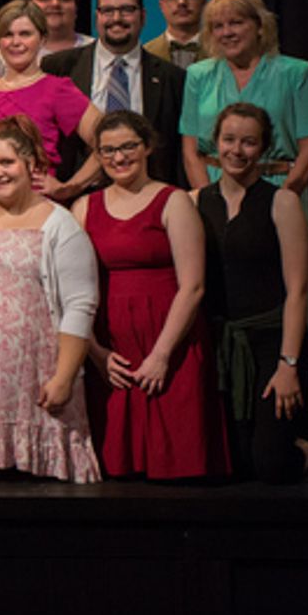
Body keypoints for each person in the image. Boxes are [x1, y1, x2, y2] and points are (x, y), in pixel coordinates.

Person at [0, 116, 100, 483]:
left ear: (31, 165)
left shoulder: (60, 223)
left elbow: (80, 304)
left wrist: (65, 377)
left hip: (33, 382)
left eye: (7, 162)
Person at [71, 111, 230, 480]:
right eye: (107, 150)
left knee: (177, 464)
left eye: (128, 146)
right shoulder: (84, 207)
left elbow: (193, 286)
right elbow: (74, 289)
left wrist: (161, 355)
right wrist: (94, 352)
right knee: (116, 469)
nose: (119, 158)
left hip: (169, 339)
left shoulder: (173, 201)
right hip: (113, 346)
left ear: (147, 147)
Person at [179, 0, 308, 346]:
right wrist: (206, 201)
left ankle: (289, 361)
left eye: (237, 22)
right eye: (218, 25)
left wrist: (282, 200)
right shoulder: (199, 75)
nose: (227, 32)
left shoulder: (297, 73)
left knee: (283, 283)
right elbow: (190, 150)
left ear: (259, 26)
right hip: (216, 189)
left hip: (279, 186)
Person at [194, 104, 308, 482]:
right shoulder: (194, 201)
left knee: (270, 466)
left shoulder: (281, 201)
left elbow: (298, 289)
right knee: (230, 462)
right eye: (229, 140)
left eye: (249, 142)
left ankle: (306, 450)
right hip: (223, 343)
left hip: (273, 341)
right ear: (215, 143)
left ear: (264, 147)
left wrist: (288, 364)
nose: (237, 150)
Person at [42, 0, 187, 189]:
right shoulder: (58, 67)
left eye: (127, 10)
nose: (116, 19)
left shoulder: (172, 77)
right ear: (96, 17)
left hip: (148, 196)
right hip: (76, 195)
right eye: (108, 11)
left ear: (143, 16)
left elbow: (177, 153)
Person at [0, 0, 102, 200]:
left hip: (31, 209)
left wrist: (70, 187)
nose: (16, 42)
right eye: (8, 34)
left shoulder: (57, 90)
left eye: (25, 34)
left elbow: (109, 140)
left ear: (42, 39)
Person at [143, 0, 209, 68]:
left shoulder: (223, 52)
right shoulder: (145, 55)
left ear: (204, 3)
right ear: (161, 6)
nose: (182, 2)